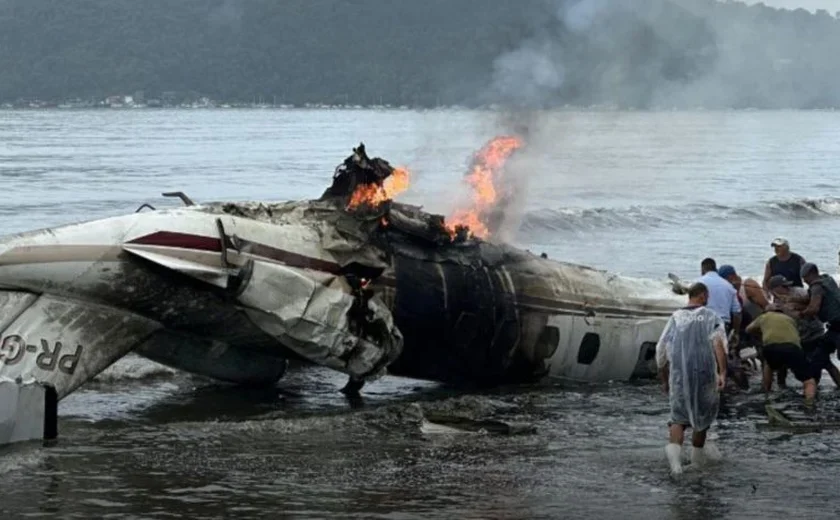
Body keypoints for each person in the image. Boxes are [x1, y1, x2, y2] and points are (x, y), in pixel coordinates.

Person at [656, 282, 727, 475]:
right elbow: (719, 344)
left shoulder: (676, 317)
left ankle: (675, 466)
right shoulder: (712, 316)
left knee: (678, 419)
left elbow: (661, 349)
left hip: (679, 374)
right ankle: (696, 464)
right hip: (704, 374)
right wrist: (722, 372)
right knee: (701, 419)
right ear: (703, 296)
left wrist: (664, 377)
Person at [744, 304, 817, 405]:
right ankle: (810, 404)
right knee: (808, 380)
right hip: (792, 348)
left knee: (768, 364)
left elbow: (748, 329)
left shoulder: (764, 316)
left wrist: (760, 333)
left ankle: (766, 393)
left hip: (771, 348)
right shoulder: (790, 319)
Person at [797, 262, 840, 387]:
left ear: (811, 274)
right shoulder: (828, 279)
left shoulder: (816, 287)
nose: (805, 282)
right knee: (819, 357)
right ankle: (813, 387)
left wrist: (801, 314)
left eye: (805, 279)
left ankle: (811, 388)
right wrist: (794, 300)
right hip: (833, 328)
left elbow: (814, 308)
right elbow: (816, 299)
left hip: (838, 328)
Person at [698, 258, 742, 348]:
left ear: (703, 269)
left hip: (702, 323)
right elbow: (737, 313)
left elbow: (692, 307)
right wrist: (735, 332)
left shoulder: (698, 283)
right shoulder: (729, 286)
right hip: (722, 325)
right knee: (720, 355)